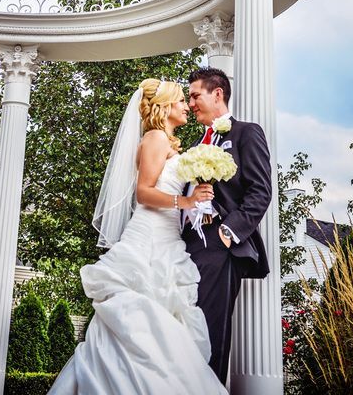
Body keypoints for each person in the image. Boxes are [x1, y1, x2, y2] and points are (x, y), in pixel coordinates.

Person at [49, 79, 228, 395]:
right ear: (164, 107)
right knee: (141, 318)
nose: (186, 106)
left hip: (168, 237)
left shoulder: (168, 142)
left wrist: (199, 203)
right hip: (149, 239)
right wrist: (184, 201)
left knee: (162, 323)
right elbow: (144, 192)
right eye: (180, 102)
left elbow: (167, 188)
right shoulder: (155, 138)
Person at [182, 67, 273, 385]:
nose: (190, 103)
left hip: (219, 245)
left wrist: (227, 233)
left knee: (210, 329)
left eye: (195, 95)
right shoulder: (193, 144)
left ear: (217, 93)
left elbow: (261, 191)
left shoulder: (246, 133)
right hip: (185, 245)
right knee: (183, 329)